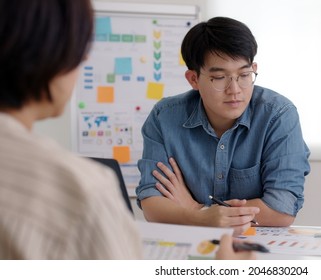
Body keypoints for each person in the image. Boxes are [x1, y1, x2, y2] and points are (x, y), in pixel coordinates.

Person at [0, 0, 254, 260]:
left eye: (244, 74)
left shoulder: (276, 111)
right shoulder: (80, 190)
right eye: (79, 49)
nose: (235, 88)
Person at [136, 17, 310, 235]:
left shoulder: (278, 115)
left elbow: (282, 208)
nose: (235, 89)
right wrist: (202, 218)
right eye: (219, 77)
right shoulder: (164, 117)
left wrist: (195, 209)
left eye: (244, 75)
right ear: (193, 79)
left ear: (254, 69)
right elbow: (152, 203)